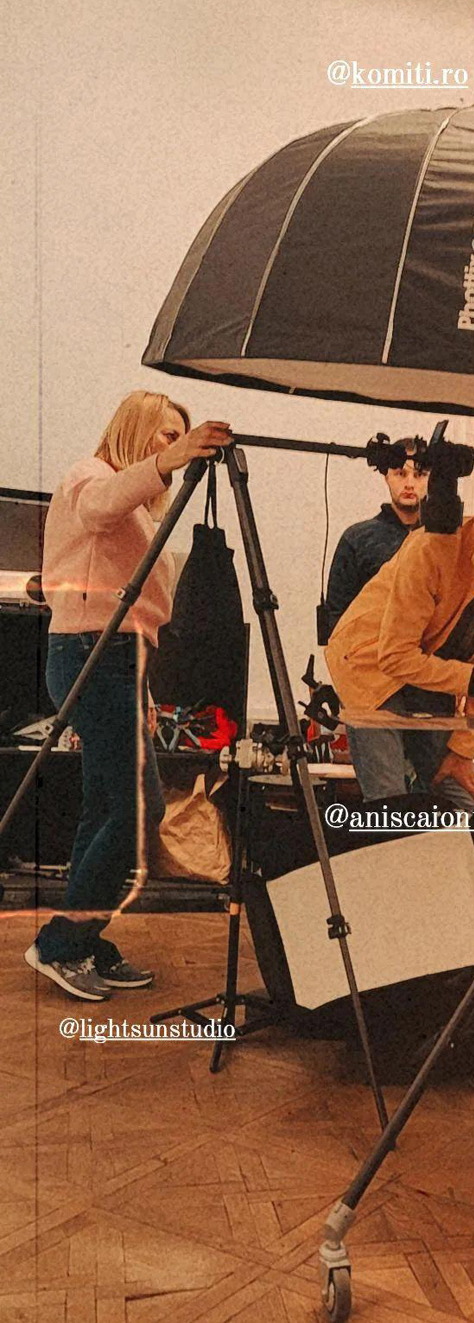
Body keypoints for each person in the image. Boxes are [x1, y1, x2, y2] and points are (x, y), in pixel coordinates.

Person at [25, 392, 232, 1002]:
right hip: (91, 652)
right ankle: (61, 943)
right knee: (138, 809)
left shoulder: (136, 505)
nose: (174, 444)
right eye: (166, 434)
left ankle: (81, 939)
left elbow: (138, 611)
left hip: (117, 659)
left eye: (178, 436)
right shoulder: (90, 476)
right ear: (136, 428)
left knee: (106, 806)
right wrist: (170, 461)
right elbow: (98, 506)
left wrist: (139, 689)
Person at [325, 464, 474, 809]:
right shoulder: (433, 548)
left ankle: (445, 843)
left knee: (462, 801)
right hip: (370, 667)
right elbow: (395, 656)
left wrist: (462, 752)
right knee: (390, 804)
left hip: (433, 677)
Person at [321, 438, 429, 641]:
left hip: (430, 653)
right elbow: (337, 618)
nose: (409, 484)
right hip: (371, 651)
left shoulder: (443, 539)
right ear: (386, 476)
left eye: (419, 475)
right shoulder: (357, 539)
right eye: (400, 473)